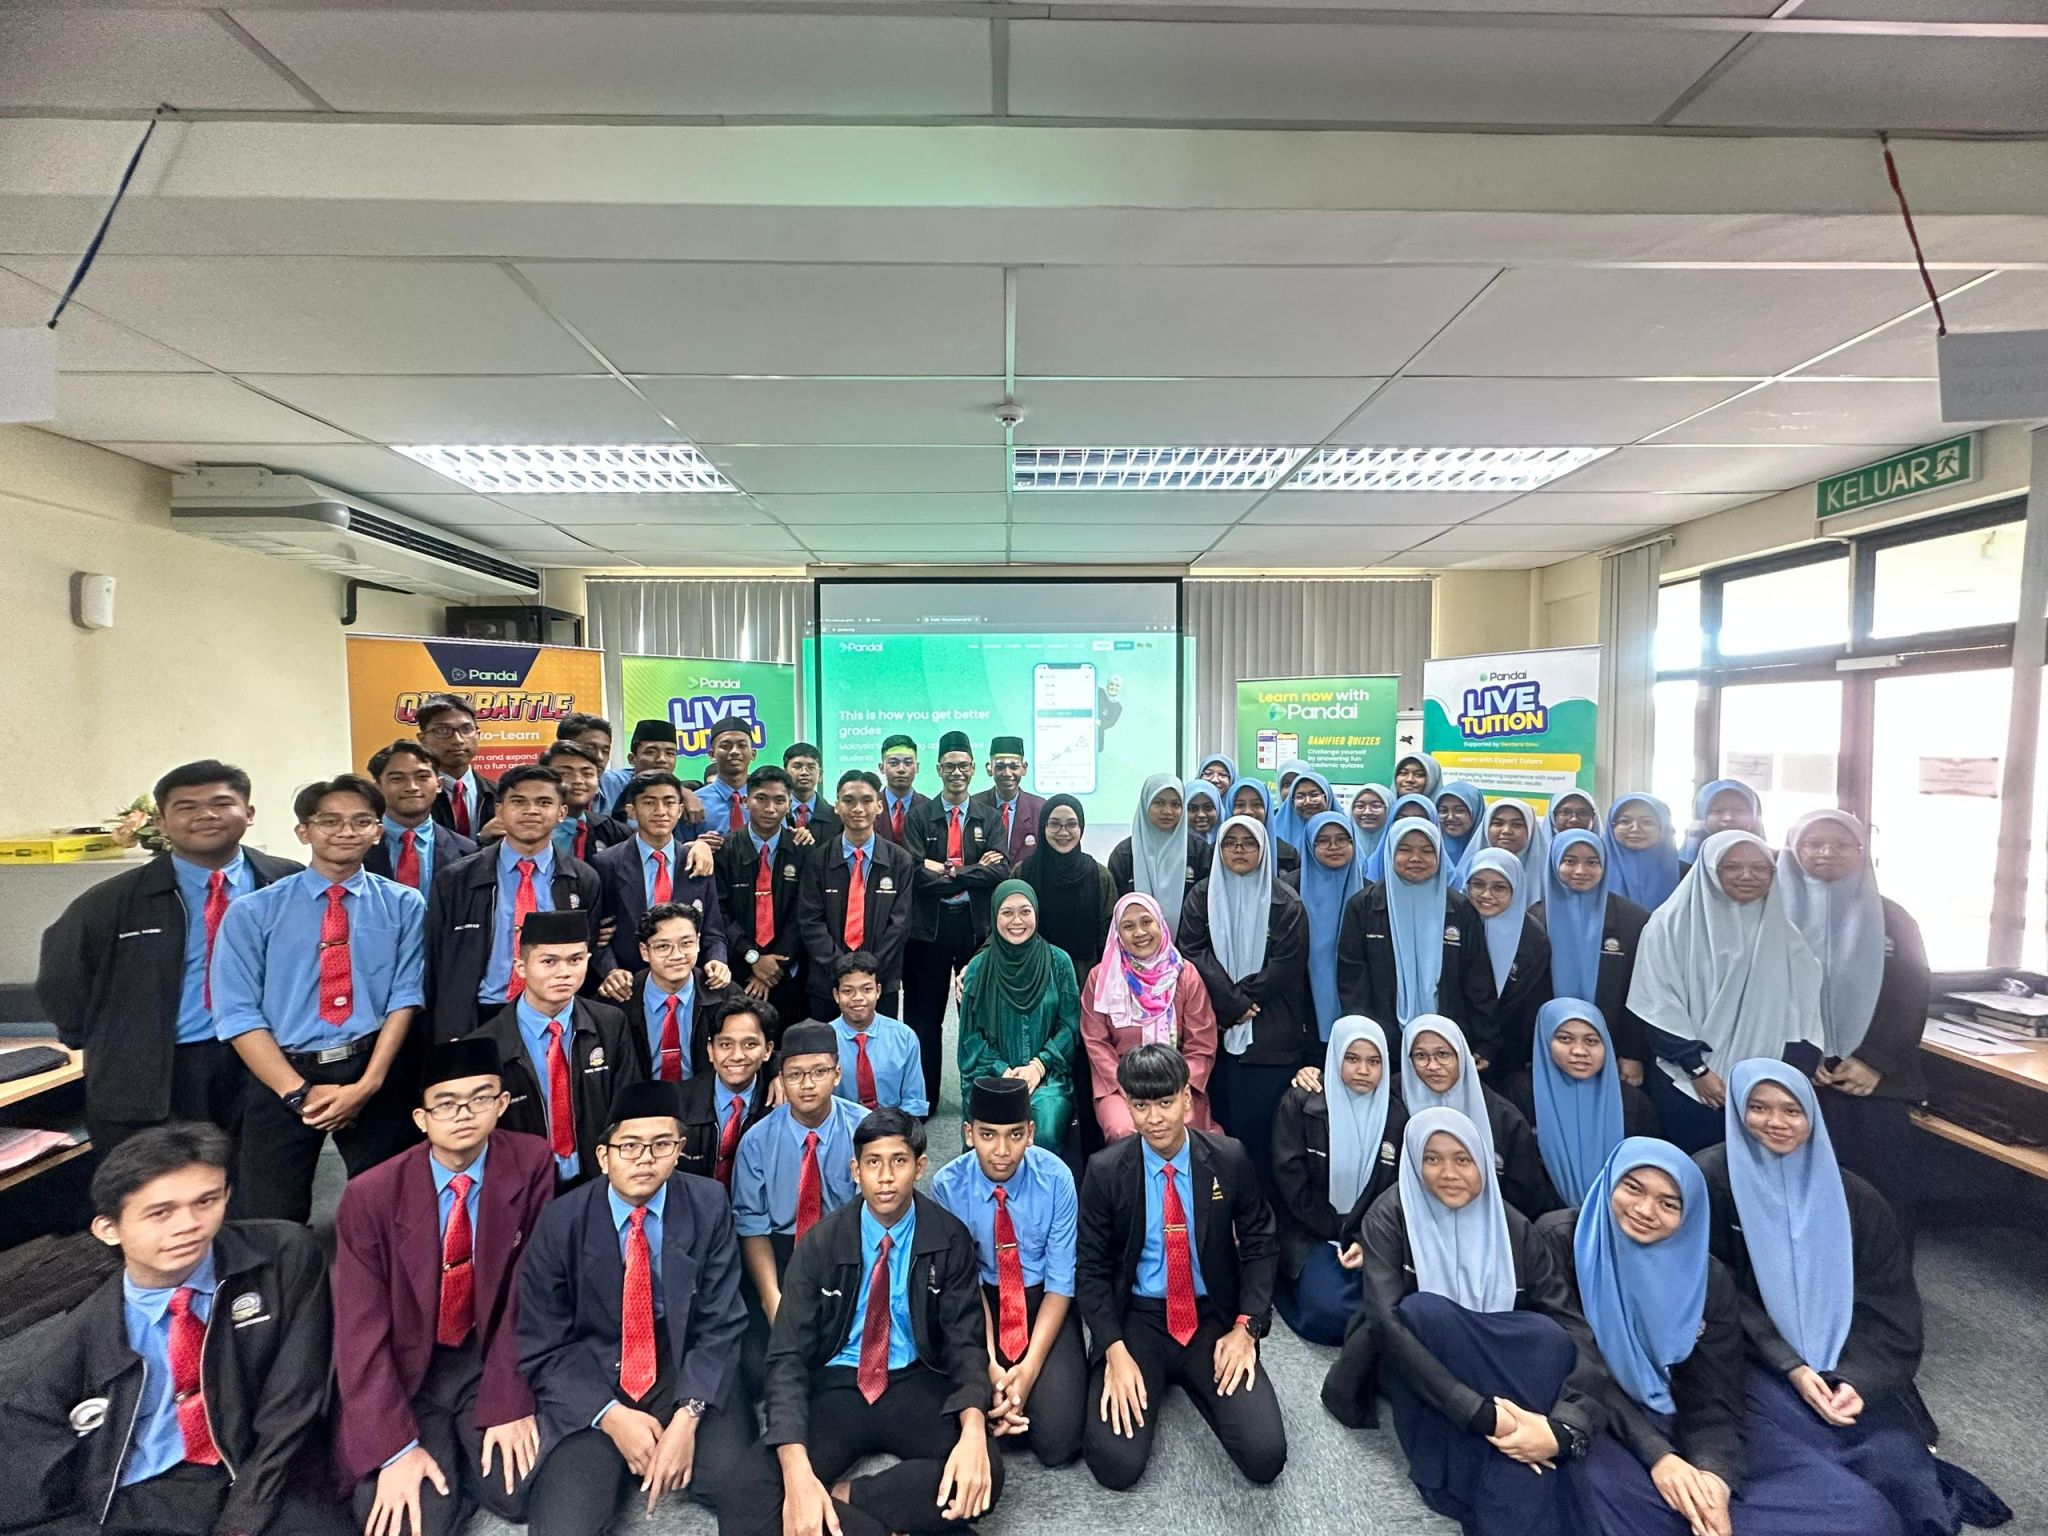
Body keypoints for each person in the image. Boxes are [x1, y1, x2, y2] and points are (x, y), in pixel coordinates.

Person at [0, 1124, 350, 1536]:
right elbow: (29, 1480)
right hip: (140, 1491)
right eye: (160, 1213)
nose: (189, 1225)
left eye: (206, 1201)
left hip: (260, 1470)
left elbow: (293, 1401)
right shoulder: (73, 1342)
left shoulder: (282, 1256)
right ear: (108, 1229)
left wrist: (240, 1523)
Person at [1549, 1138, 1903, 1536]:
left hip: (1674, 1411)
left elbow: (1713, 1393)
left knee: (1862, 1514)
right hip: (1593, 1414)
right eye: (1633, 1188)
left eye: (1669, 1203)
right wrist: (1660, 1457)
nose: (1645, 1211)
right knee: (1626, 1510)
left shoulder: (1705, 1276)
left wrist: (1714, 1475)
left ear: (1690, 1215)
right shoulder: (1561, 1242)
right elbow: (1571, 1362)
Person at [1697, 1063, 1955, 1536]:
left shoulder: (1856, 1199)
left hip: (1844, 1358)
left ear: (1812, 1117)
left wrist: (1858, 1379)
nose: (1776, 1122)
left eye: (1792, 1111)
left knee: (1897, 1473)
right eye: (1758, 1108)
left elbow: (1891, 1309)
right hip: (1751, 1357)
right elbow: (1711, 1293)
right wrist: (1792, 1366)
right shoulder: (1709, 1181)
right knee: (1812, 1471)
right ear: (1736, 1112)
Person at [729, 1108, 1002, 1536]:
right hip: (838, 1381)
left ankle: (841, 1499)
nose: (886, 1177)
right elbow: (786, 1357)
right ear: (856, 1171)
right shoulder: (820, 1243)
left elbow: (966, 1345)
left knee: (985, 1474)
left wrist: (973, 1429)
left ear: (920, 1167)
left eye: (899, 1161)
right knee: (744, 1501)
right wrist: (797, 1472)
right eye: (873, 1162)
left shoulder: (949, 1238)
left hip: (913, 1378)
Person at [331, 1037, 556, 1536]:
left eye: (480, 1098)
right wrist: (395, 1448)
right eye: (446, 1103)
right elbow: (358, 1330)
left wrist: (509, 1399)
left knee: (521, 1490)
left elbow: (531, 1290)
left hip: (485, 1354)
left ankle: (462, 1456)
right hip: (410, 1368)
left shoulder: (532, 1161)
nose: (464, 1114)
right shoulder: (370, 1195)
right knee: (406, 1521)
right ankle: (445, 1460)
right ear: (421, 1118)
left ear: (502, 1103)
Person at [515, 1080, 760, 1536]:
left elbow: (721, 1322)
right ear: (603, 1155)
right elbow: (543, 1341)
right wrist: (610, 1415)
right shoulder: (561, 1221)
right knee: (564, 1523)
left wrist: (688, 1416)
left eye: (661, 1144)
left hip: (679, 1358)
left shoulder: (707, 1203)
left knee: (742, 1488)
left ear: (679, 1150)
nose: (645, 1158)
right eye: (629, 1146)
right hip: (596, 1367)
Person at [1356, 1107, 1605, 1536]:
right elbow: (1386, 1325)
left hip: (1499, 1361)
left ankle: (1530, 1450)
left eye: (1463, 1159)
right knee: (1423, 1312)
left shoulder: (1514, 1226)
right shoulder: (1390, 1215)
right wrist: (1479, 1413)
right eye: (1432, 1159)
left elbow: (1572, 1328)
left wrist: (1563, 1425)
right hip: (1426, 1371)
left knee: (1548, 1337)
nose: (1448, 1173)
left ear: (1484, 1163)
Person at [37, 759, 302, 1154]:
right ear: (161, 822)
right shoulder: (110, 902)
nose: (206, 815)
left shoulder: (287, 882)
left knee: (260, 1182)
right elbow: (63, 980)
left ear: (248, 813)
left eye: (221, 803)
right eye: (187, 806)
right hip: (160, 1070)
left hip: (268, 1061)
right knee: (160, 1182)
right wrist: (116, 1042)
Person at [212, 774, 425, 1223]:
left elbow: (405, 998)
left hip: (373, 1065)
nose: (346, 831)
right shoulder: (253, 911)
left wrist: (368, 1085)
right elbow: (237, 1013)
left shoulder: (405, 904)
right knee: (272, 1217)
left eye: (361, 821)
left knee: (390, 1208)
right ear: (303, 831)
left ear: (377, 832)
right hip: (282, 1073)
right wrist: (297, 1093)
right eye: (329, 821)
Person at [1075, 1044, 1287, 1491]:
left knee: (1265, 1456)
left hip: (1211, 1316)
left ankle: (1190, 1377)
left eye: (1165, 1102)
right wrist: (1113, 1349)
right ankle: (1158, 1374)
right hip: (1139, 1318)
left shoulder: (1229, 1158)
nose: (1154, 1118)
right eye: (1141, 1105)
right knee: (1115, 1465)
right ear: (1126, 1104)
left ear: (1187, 1099)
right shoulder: (1105, 1171)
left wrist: (1247, 1327)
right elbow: (1091, 1269)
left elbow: (1261, 1242)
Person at [1776, 810, 1931, 1235]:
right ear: (1793, 848)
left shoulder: (1893, 918)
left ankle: (1881, 1274)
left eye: (1842, 844)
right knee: (1793, 1190)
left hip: (1872, 1076)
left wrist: (1872, 1060)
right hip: (1789, 1071)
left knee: (1878, 1190)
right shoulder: (1767, 910)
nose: (1827, 852)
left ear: (1862, 851)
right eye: (1813, 844)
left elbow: (1911, 994)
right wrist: (1798, 1056)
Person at [1628, 831, 1823, 1152]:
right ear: (1708, 870)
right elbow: (1656, 1003)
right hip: (1689, 1082)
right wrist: (1698, 1070)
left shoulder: (1787, 938)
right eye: (1731, 867)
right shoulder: (1668, 926)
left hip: (1766, 1094)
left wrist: (1779, 1082)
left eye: (1760, 868)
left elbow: (1805, 1017)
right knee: (1693, 1165)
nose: (1747, 876)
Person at [932, 1076, 1086, 1468]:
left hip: (1042, 1300)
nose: (1002, 1151)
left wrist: (1029, 1370)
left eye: (1015, 1135)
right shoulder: (948, 1186)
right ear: (969, 1134)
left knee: (1059, 1441)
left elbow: (1061, 1282)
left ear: (1030, 1133)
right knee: (961, 1418)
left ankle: (1025, 1393)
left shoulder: (1057, 1179)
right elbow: (964, 1284)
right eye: (988, 1135)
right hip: (981, 1301)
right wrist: (990, 1366)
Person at [1177, 817, 1312, 1188]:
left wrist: (1243, 1000)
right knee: (1219, 1136)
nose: (1239, 849)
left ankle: (1262, 1213)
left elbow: (1286, 964)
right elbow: (1191, 949)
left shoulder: (1285, 902)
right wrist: (1231, 1002)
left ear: (1263, 849)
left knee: (1262, 1139)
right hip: (1215, 1032)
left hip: (1270, 1037)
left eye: (1248, 842)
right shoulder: (1201, 896)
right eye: (1230, 842)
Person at [424, 763, 602, 1043]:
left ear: (562, 812)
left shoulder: (583, 879)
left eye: (544, 802)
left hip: (553, 1016)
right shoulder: (455, 879)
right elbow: (436, 959)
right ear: (500, 810)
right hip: (477, 1016)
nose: (531, 810)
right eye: (519, 801)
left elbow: (586, 952)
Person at [471, 909, 643, 1192]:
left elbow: (628, 1107)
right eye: (549, 961)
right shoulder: (487, 1044)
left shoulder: (610, 1024)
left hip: (601, 1182)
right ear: (521, 967)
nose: (564, 973)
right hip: (522, 1188)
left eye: (575, 960)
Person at [1269, 1017, 1406, 1346]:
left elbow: (1394, 1193)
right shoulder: (1303, 1102)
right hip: (1311, 1232)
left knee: (1402, 1303)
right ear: (1334, 1057)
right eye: (1352, 1058)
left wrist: (1363, 1238)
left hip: (1369, 1235)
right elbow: (1290, 1182)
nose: (1363, 1070)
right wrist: (1337, 1231)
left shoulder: (1396, 1116)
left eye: (1374, 1061)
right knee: (1330, 1312)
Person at [731, 1022, 872, 1321]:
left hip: (849, 1245)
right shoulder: (757, 1141)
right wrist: (772, 1300)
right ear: (781, 1079)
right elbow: (752, 1226)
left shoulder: (865, 1130)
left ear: (837, 1074)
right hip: (781, 1249)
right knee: (758, 1347)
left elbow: (874, 1216)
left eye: (819, 1072)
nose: (807, 1084)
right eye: (795, 1075)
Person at [903, 731, 1010, 1108]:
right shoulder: (919, 817)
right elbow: (915, 874)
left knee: (979, 1016)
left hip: (974, 927)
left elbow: (1000, 871)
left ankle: (981, 1098)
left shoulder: (989, 817)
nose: (957, 773)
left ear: (974, 768)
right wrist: (971, 871)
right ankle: (924, 1099)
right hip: (928, 931)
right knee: (924, 1018)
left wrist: (948, 871)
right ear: (937, 769)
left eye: (963, 766)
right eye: (949, 766)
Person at [1336, 820, 1493, 1046]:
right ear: (1390, 852)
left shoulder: (1460, 908)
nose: (1415, 858)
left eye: (1427, 851)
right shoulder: (1363, 906)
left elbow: (1477, 979)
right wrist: (1363, 1039)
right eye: (1405, 849)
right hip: (1381, 1041)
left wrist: (1484, 1043)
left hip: (1448, 1040)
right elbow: (1353, 981)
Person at [1079, 893, 1220, 1142]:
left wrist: (1175, 1083)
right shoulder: (1101, 978)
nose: (1140, 932)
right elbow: (1096, 1041)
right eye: (1128, 926)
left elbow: (1202, 1043)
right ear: (1117, 934)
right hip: (1121, 1084)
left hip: (1177, 1081)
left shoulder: (1185, 974)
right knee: (1124, 1130)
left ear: (1160, 924)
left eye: (1146, 922)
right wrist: (1127, 1084)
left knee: (1184, 1126)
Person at [959, 881, 1080, 1150]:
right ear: (994, 916)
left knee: (1044, 1131)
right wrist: (1003, 1071)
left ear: (1036, 913)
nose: (1017, 921)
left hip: (1048, 1078)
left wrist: (1039, 1066)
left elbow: (1070, 1027)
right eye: (1007, 913)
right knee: (990, 1134)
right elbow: (970, 1039)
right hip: (991, 1075)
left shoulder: (1059, 962)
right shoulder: (979, 968)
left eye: (1025, 911)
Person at [1402, 1015, 1557, 1219]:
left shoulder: (1504, 1118)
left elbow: (1528, 1198)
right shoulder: (1396, 1110)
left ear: (1462, 1056)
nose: (1432, 1066)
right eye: (1421, 1056)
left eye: (1443, 1054)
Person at [1530, 830, 1653, 1086]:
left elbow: (1643, 990)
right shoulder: (1536, 918)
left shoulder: (1633, 919)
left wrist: (1633, 1052)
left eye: (1592, 862)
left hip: (1614, 1048)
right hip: (1547, 1045)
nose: (1580, 870)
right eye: (1570, 861)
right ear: (1554, 863)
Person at [1506, 1000, 1656, 1209]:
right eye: (1565, 1039)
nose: (1579, 1051)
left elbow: (1647, 1172)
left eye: (1591, 1041)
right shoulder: (1519, 1094)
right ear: (1545, 1041)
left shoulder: (1633, 1102)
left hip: (1617, 1214)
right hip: (1537, 1217)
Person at [796, 771, 918, 1023]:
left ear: (879, 806)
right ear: (836, 806)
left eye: (866, 800)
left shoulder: (900, 860)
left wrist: (868, 971)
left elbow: (900, 924)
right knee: (827, 1046)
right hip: (827, 981)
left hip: (880, 981)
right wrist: (841, 969)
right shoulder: (817, 860)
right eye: (849, 801)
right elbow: (810, 921)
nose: (858, 809)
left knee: (879, 1045)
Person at [591, 771, 729, 982]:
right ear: (632, 810)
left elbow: (713, 930)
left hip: (688, 979)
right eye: (649, 803)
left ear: (680, 810)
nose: (660, 811)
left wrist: (717, 960)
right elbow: (600, 935)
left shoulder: (697, 861)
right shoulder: (607, 863)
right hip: (630, 982)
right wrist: (611, 971)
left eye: (669, 802)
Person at [716, 764, 812, 1034]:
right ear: (747, 801)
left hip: (788, 970)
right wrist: (754, 958)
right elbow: (720, 912)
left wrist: (774, 965)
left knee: (787, 1043)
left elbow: (804, 912)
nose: (771, 808)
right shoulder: (725, 850)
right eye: (762, 799)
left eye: (779, 800)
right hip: (738, 971)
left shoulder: (803, 850)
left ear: (789, 804)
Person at [606, 903, 727, 1084]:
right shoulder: (620, 999)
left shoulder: (725, 995)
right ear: (644, 951)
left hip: (704, 1097)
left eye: (686, 943)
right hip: (640, 1097)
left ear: (698, 942)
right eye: (663, 946)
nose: (677, 955)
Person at [1463, 849, 1550, 1081]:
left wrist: (1489, 1046)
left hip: (1506, 1050)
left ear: (1516, 889)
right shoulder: (1453, 924)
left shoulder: (1532, 939)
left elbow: (1525, 1006)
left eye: (1499, 887)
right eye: (1477, 884)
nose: (1486, 895)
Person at [678, 996, 777, 1186]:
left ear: (767, 1050)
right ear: (710, 1050)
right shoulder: (681, 1101)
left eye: (750, 1044)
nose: (737, 1056)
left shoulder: (780, 1102)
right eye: (725, 1045)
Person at [828, 951, 929, 1118]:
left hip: (893, 1125)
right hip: (842, 1125)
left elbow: (914, 1102)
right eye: (848, 991)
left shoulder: (904, 1037)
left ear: (878, 991)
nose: (858, 997)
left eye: (867, 989)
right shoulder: (823, 1040)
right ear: (836, 995)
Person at [366, 739, 476, 891]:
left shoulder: (467, 851)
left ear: (439, 785)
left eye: (422, 777)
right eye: (397, 779)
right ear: (377, 787)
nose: (411, 787)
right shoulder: (357, 846)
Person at [1297, 811, 1365, 1043]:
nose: (1334, 847)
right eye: (1323, 841)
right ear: (1310, 845)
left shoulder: (1370, 894)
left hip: (1360, 1004)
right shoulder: (1291, 890)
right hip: (1303, 1005)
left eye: (1342, 839)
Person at [1108, 774, 1210, 919]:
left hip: (1190, 933)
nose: (1167, 811)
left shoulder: (1199, 851)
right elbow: (1117, 909)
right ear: (1146, 804)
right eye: (1159, 803)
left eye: (1175, 804)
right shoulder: (1124, 854)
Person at [539, 739, 631, 863]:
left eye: (587, 774)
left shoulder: (612, 830)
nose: (578, 780)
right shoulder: (525, 826)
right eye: (564, 773)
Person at [417, 694, 495, 840]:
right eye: (443, 730)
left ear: (478, 735)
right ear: (423, 739)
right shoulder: (414, 797)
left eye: (466, 729)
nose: (458, 740)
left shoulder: (497, 794)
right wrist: (481, 840)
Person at [1604, 794, 1686, 913]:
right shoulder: (1594, 869)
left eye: (1647, 822)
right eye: (1624, 821)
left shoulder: (1687, 873)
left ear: (1664, 826)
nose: (1635, 828)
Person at [1456, 797, 1552, 895]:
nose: (1506, 831)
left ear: (1530, 830)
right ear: (1486, 827)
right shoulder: (1466, 872)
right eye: (1498, 823)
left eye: (1517, 825)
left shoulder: (1548, 875)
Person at [974, 734, 1045, 861]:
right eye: (1000, 767)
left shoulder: (1040, 809)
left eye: (1014, 767)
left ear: (1024, 768)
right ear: (989, 769)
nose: (1007, 773)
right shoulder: (974, 806)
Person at [597, 718, 682, 820]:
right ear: (632, 759)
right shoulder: (610, 782)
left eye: (670, 753)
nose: (662, 759)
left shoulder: (680, 793)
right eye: (651, 752)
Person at [693, 715, 761, 840]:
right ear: (712, 754)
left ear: (753, 754)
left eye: (742, 746)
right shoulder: (695, 802)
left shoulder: (767, 800)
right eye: (725, 746)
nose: (735, 751)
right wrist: (694, 846)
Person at [1225, 776, 1302, 885]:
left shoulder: (1287, 854)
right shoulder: (1215, 852)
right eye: (1240, 805)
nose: (1248, 811)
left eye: (1257, 804)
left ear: (1267, 809)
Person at [1679, 780, 1765, 863]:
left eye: (1739, 810)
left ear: (1754, 815)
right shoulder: (1680, 867)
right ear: (1701, 816)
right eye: (1717, 811)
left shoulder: (1770, 864)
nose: (1728, 818)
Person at [1362, 792, 1440, 883]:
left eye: (1420, 819)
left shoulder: (1449, 878)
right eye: (1401, 819)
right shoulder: (1370, 871)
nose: (1409, 824)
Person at [782, 742, 843, 843]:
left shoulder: (837, 818)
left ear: (820, 775)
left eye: (811, 767)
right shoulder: (774, 814)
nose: (804, 772)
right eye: (797, 766)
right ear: (784, 773)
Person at [876, 733, 927, 844]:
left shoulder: (929, 808)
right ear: (881, 768)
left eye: (908, 763)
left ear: (917, 767)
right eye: (893, 763)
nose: (901, 769)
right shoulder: (870, 807)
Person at [1437, 782, 1486, 868]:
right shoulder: (1431, 849)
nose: (1450, 818)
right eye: (1443, 811)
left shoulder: (1489, 852)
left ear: (1475, 812)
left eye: (1459, 811)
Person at [1350, 782, 1392, 870]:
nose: (1367, 812)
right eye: (1360, 806)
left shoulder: (1397, 845)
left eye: (1376, 806)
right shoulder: (1342, 843)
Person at [1184, 779, 1223, 846]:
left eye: (1208, 807)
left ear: (1218, 809)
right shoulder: (1176, 845)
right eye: (1193, 808)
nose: (1201, 815)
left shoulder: (1230, 841)